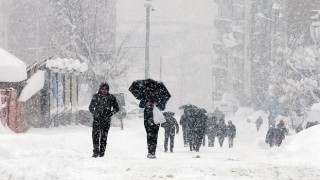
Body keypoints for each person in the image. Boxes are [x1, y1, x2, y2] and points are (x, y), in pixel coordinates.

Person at [89, 83, 119, 158]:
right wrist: (94, 114)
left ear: (108, 90)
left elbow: (116, 108)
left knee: (104, 137)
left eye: (106, 89)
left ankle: (102, 153)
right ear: (100, 89)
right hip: (97, 119)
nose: (104, 90)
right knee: (95, 136)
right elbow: (91, 107)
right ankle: (95, 152)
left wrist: (110, 114)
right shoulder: (95, 97)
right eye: (103, 88)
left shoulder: (111, 97)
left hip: (106, 120)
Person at [139, 86, 166, 159]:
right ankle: (150, 152)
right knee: (149, 135)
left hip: (156, 119)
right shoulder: (145, 96)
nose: (153, 92)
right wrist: (146, 104)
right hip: (147, 118)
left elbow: (163, 107)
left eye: (155, 91)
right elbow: (140, 105)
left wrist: (157, 104)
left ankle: (153, 152)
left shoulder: (160, 97)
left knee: (155, 136)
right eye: (152, 91)